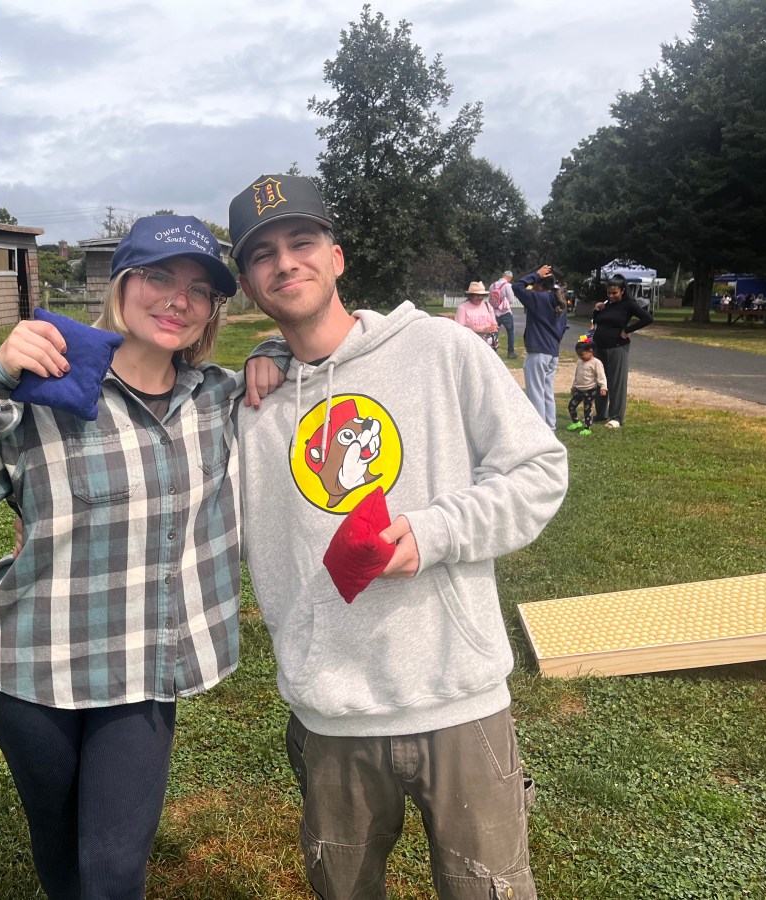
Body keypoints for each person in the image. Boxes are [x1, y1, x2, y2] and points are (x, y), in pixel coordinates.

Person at [0, 214, 281, 899]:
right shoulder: (45, 396)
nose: (177, 299)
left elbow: (323, 355)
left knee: (110, 873)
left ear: (212, 313)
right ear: (119, 286)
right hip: (32, 670)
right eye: (158, 277)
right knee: (59, 843)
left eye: (199, 289)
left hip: (142, 669)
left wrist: (276, 349)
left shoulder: (223, 400)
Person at [227, 173, 569, 899]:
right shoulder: (251, 404)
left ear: (338, 256)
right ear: (250, 285)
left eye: (302, 241)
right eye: (263, 255)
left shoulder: (440, 350)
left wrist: (434, 532)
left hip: (458, 697)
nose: (286, 262)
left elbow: (539, 470)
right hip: (331, 712)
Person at [591, 273, 653, 428]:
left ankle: (616, 417)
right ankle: (601, 413)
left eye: (614, 293)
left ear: (622, 291)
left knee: (616, 382)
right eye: (609, 293)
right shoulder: (607, 304)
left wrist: (627, 329)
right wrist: (596, 310)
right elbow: (597, 321)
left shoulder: (628, 304)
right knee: (600, 380)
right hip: (599, 347)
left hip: (617, 347)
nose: (611, 296)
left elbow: (648, 318)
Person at [515, 266, 569, 429]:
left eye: (535, 284)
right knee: (547, 392)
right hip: (552, 352)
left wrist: (535, 274)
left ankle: (539, 429)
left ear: (540, 285)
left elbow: (517, 286)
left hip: (538, 351)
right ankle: (550, 427)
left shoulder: (538, 298)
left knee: (536, 392)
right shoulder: (559, 300)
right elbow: (563, 328)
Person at [566, 335, 607, 436]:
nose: (580, 357)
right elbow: (577, 375)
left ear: (591, 351)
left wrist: (603, 387)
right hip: (578, 390)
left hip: (589, 390)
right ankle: (576, 422)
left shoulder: (596, 363)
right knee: (571, 406)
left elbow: (601, 376)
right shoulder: (580, 362)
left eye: (582, 354)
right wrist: (573, 386)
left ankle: (587, 428)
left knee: (587, 409)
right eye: (578, 355)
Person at [453, 281, 500, 349]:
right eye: (477, 295)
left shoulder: (487, 306)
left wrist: (493, 327)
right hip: (470, 343)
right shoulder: (463, 308)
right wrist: (483, 330)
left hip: (488, 344)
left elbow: (494, 323)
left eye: (482, 295)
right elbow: (460, 329)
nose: (480, 297)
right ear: (471, 296)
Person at [489, 270, 519, 358]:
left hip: (494, 312)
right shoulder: (508, 286)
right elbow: (511, 300)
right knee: (510, 332)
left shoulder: (492, 285)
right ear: (509, 278)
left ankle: (493, 351)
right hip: (505, 312)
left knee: (494, 332)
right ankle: (510, 352)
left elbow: (490, 299)